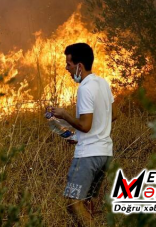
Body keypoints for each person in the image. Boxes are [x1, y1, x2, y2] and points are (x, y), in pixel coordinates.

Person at [50, 43, 119, 226]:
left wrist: (64, 115)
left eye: (69, 64)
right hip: (105, 154)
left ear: (79, 65)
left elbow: (85, 125)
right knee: (87, 202)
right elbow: (114, 114)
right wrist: (79, 136)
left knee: (73, 202)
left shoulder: (85, 88)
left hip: (88, 156)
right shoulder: (102, 83)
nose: (67, 68)